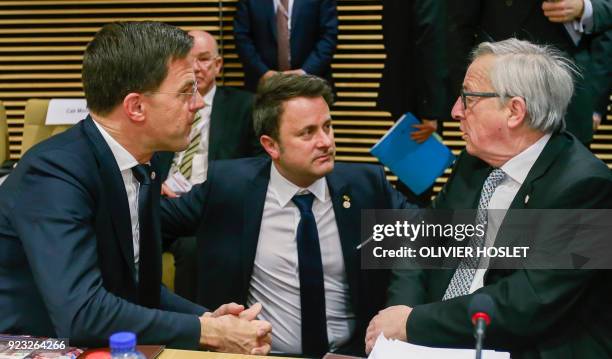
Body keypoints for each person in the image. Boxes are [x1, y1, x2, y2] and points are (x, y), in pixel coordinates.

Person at [0, 21, 271, 354]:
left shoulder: (143, 166)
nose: (199, 104)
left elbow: (141, 290)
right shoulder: (54, 173)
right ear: (136, 107)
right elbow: (82, 314)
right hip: (30, 343)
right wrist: (207, 331)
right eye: (186, 91)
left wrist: (208, 317)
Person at [365, 38, 612, 358]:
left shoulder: (587, 189)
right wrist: (401, 316)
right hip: (436, 340)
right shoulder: (475, 161)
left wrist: (412, 323)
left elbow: (526, 303)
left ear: (514, 111)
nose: (455, 111)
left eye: (468, 98)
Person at [161, 74, 415, 356]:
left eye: (327, 127)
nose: (325, 142)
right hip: (260, 354)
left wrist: (399, 309)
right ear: (271, 145)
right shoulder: (229, 187)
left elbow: (430, 237)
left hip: (352, 353)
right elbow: (147, 227)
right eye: (307, 133)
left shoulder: (365, 187)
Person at [157, 30, 261, 301]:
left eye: (203, 59)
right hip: (164, 200)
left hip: (209, 207)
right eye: (187, 59)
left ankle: (195, 331)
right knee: (126, 236)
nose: (195, 67)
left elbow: (258, 164)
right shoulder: (163, 104)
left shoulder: (245, 105)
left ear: (218, 65)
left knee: (193, 248)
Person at [447, 0, 609, 145]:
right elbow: (458, 27)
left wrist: (585, 8)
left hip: (572, 94)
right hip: (496, 88)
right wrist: (467, 96)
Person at [377, 0, 449, 206]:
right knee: (418, 181)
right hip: (420, 95)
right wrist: (431, 110)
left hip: (402, 88)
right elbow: (430, 42)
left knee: (410, 178)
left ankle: (408, 233)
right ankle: (413, 235)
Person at [233, 0, 338, 92]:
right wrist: (263, 73)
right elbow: (242, 37)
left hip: (312, 83)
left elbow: (329, 35)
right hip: (263, 86)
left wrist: (305, 72)